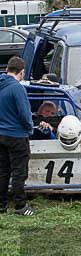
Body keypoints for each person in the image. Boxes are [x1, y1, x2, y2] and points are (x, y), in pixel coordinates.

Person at [0, 56, 35, 216]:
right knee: (19, 172)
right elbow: (24, 114)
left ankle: (1, 205)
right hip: (17, 135)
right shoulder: (17, 88)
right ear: (22, 72)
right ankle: (20, 206)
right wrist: (29, 129)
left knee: (3, 171)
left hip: (1, 134)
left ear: (7, 69)